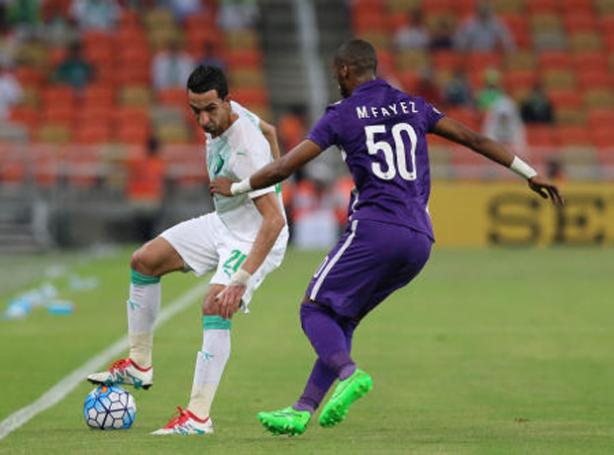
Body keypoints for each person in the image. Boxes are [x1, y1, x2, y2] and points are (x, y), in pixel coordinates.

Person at [210, 39, 563, 436]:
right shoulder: (413, 106)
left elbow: (284, 167)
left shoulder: (342, 114)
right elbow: (474, 140)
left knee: (313, 310)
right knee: (343, 317)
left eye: (336, 74)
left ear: (344, 71)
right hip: (420, 240)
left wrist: (236, 187)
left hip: (375, 228)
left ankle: (349, 373)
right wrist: (530, 173)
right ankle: (302, 408)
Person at [87, 65, 289, 435]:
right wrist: (271, 180)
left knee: (215, 303)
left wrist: (241, 279)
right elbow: (272, 131)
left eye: (210, 109)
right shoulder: (233, 111)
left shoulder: (244, 148)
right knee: (144, 261)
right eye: (196, 111)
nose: (203, 120)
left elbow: (274, 221)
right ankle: (139, 364)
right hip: (224, 223)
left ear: (225, 101)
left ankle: (197, 417)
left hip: (255, 235)